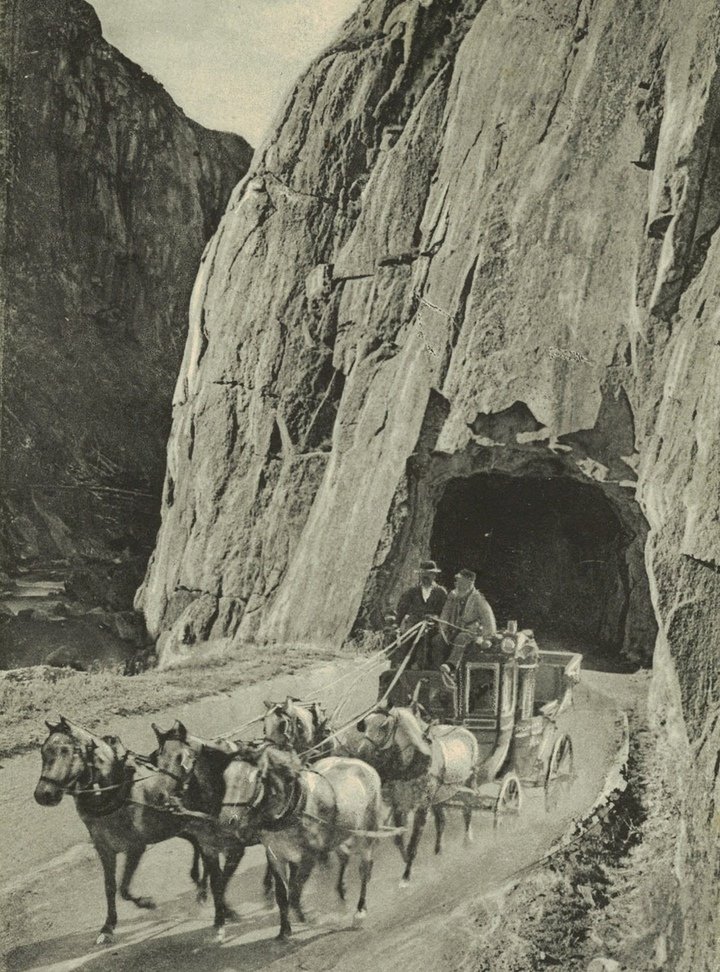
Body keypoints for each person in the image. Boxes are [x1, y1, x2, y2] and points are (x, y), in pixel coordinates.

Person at [434, 568, 496, 681]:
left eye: (460, 581)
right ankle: (436, 669)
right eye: (457, 581)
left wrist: (488, 638)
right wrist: (442, 630)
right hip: (452, 630)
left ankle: (451, 665)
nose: (457, 583)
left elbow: (488, 618)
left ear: (469, 582)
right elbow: (445, 613)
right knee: (438, 639)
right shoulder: (453, 596)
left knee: (461, 638)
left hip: (471, 632)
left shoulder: (478, 598)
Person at [391, 560, 448, 669]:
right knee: (405, 638)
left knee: (427, 640)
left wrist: (435, 618)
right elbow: (402, 610)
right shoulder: (411, 592)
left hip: (433, 625)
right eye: (423, 574)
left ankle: (420, 665)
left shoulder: (441, 592)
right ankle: (401, 666)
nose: (425, 576)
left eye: (429, 574)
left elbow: (445, 612)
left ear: (434, 575)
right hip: (414, 624)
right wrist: (396, 625)